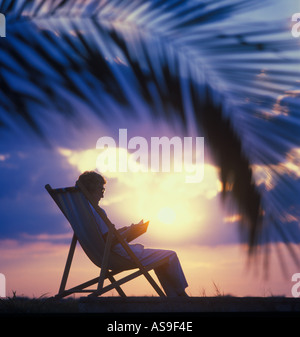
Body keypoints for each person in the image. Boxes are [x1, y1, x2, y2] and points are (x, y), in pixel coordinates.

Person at [77, 170, 189, 297]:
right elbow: (110, 241)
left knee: (161, 258)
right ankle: (181, 295)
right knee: (170, 256)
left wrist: (126, 230)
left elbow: (105, 238)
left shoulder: (82, 212)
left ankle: (175, 297)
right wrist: (129, 232)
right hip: (121, 256)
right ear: (91, 188)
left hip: (101, 256)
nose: (102, 196)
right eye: (101, 190)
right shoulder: (97, 212)